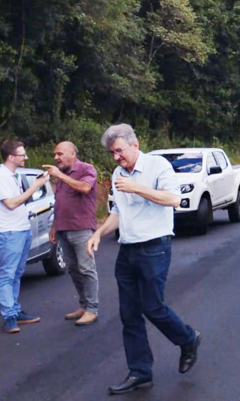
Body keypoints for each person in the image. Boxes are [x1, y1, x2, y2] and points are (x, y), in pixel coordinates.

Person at [86, 124, 201, 395]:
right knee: (129, 315)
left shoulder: (158, 166)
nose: (116, 158)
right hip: (127, 251)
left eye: (119, 151)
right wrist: (99, 233)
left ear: (134, 145)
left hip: (154, 248)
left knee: (153, 307)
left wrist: (138, 188)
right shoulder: (118, 173)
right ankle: (140, 372)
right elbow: (118, 212)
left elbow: (173, 199)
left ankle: (188, 339)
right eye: (112, 153)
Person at [0, 140, 50, 333]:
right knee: (7, 273)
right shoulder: (0, 178)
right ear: (11, 157)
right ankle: (9, 317)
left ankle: (15, 310)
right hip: (8, 232)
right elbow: (11, 203)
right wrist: (36, 186)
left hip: (21, 229)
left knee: (16, 272)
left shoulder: (12, 176)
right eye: (23, 155)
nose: (26, 157)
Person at [42, 142, 99, 326]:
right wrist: (54, 227)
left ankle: (92, 309)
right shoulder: (62, 175)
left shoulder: (86, 169)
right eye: (55, 154)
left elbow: (85, 188)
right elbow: (60, 202)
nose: (56, 157)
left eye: (60, 154)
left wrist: (59, 175)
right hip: (64, 229)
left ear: (73, 153)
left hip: (82, 229)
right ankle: (83, 305)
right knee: (73, 269)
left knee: (86, 269)